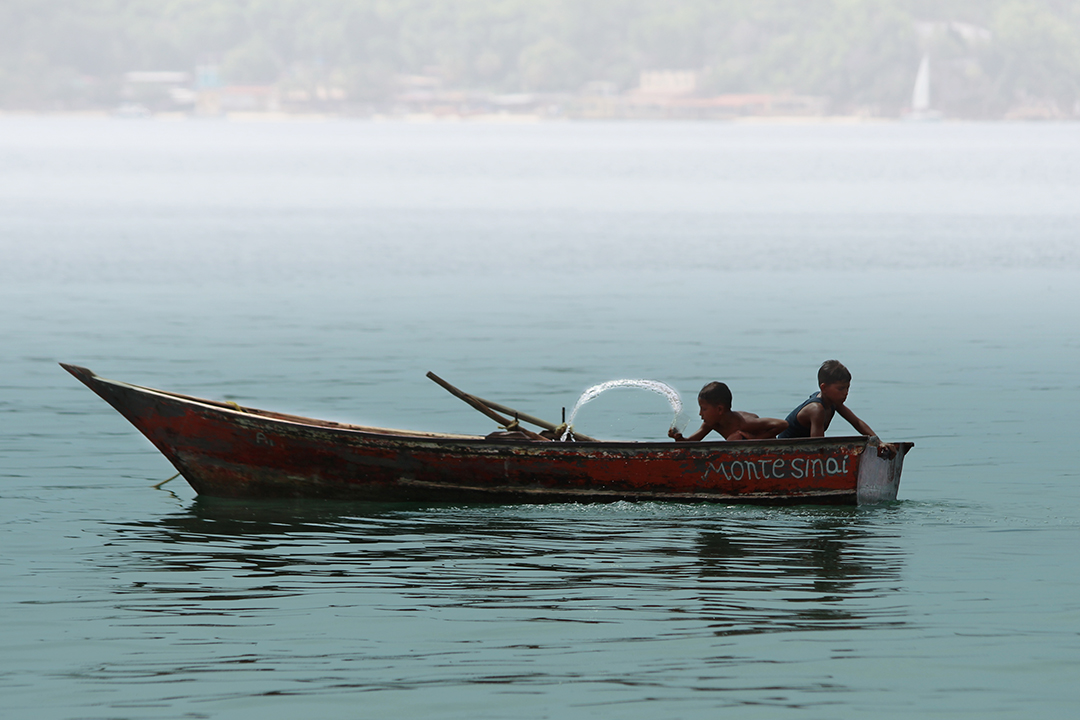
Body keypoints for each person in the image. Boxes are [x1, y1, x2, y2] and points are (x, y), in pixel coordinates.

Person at [777, 360, 876, 438]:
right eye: (840, 389)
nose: (846, 393)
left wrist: (879, 442)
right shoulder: (817, 409)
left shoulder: (833, 402)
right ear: (823, 388)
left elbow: (857, 423)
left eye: (847, 388)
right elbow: (818, 446)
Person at [669, 381, 787, 441]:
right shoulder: (712, 423)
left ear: (719, 409)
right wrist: (679, 438)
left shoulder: (743, 423)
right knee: (734, 439)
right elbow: (692, 442)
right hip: (742, 449)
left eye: (704, 409)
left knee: (735, 437)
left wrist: (756, 441)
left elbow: (782, 424)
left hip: (763, 447)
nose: (700, 413)